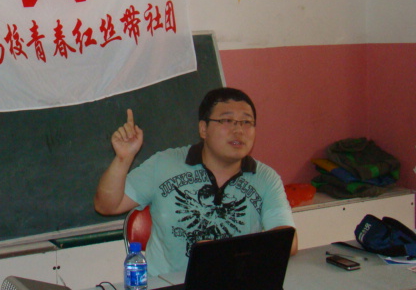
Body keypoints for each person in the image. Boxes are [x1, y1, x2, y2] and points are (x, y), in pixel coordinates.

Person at [94, 87, 298, 276]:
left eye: (246, 122)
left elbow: (289, 241)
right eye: (227, 121)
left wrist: (223, 252)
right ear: (203, 129)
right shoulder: (164, 164)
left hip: (234, 282)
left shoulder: (265, 178)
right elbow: (106, 206)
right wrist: (123, 159)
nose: (239, 130)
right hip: (171, 284)